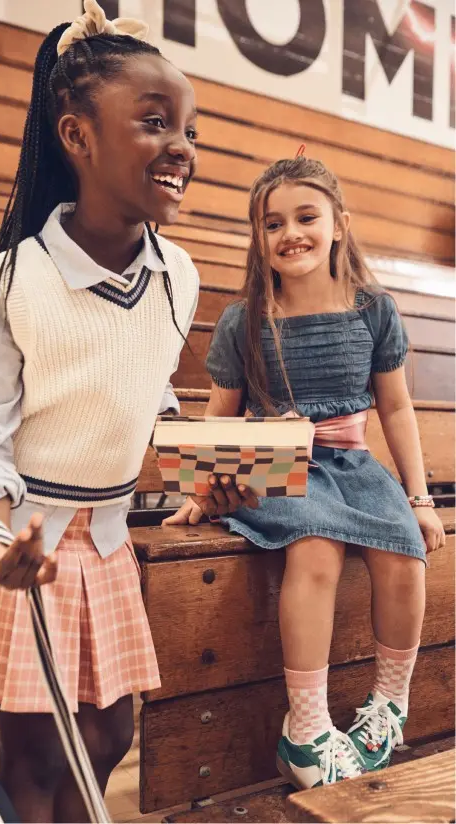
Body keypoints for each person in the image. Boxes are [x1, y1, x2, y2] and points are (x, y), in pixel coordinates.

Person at [0, 2, 252, 820]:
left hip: (103, 545)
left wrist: (211, 475)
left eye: (190, 130)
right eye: (154, 123)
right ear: (76, 137)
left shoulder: (181, 273)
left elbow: (151, 394)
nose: (183, 148)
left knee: (107, 737)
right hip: (22, 542)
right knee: (34, 753)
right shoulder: (14, 280)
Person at [164, 155, 446, 789]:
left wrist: (420, 496)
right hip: (278, 467)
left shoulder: (373, 309)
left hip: (354, 464)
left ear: (339, 225)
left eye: (306, 216)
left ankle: (388, 705)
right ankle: (308, 726)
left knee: (403, 550)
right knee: (315, 549)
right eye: (272, 223)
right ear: (258, 239)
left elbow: (395, 407)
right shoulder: (246, 319)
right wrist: (202, 490)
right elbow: (221, 413)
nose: (290, 232)